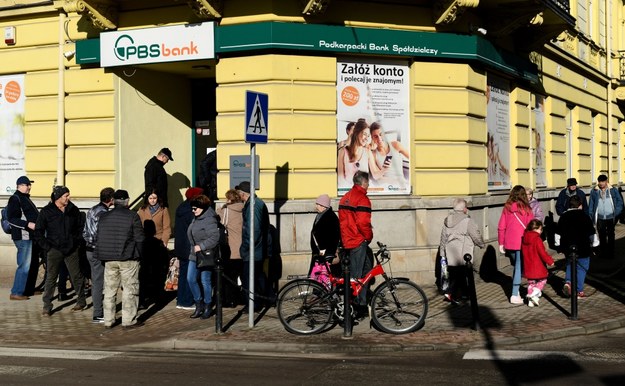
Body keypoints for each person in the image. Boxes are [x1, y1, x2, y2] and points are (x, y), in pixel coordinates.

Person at [95, 189, 145, 329]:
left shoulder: (104, 216)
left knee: (109, 291)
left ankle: (108, 320)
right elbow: (139, 238)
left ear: (114, 201)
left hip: (109, 259)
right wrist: (140, 255)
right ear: (127, 201)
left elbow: (99, 237)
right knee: (130, 289)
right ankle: (129, 320)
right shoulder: (132, 216)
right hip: (128, 258)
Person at [35, 186, 87, 316]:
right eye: (66, 196)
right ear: (58, 197)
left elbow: (80, 227)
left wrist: (76, 242)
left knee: (76, 275)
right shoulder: (47, 211)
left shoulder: (73, 210)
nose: (68, 198)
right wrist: (47, 246)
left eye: (68, 195)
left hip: (71, 249)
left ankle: (81, 301)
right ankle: (47, 306)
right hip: (54, 249)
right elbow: (38, 231)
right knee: (51, 278)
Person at [338, 171, 373, 319]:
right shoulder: (362, 198)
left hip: (347, 240)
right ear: (364, 183)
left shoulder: (345, 198)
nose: (369, 185)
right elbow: (363, 222)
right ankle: (353, 309)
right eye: (368, 182)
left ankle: (362, 303)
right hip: (358, 241)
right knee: (357, 277)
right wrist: (368, 236)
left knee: (366, 271)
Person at [438, 198, 485, 304]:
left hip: (451, 253)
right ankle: (451, 293)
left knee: (456, 274)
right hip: (464, 253)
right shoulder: (467, 221)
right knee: (461, 275)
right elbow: (475, 235)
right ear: (464, 209)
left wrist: (442, 254)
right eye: (466, 207)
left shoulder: (447, 220)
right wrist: (481, 244)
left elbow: (443, 238)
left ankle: (464, 294)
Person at [236, 181, 270, 312]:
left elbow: (253, 230)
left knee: (249, 278)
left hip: (253, 250)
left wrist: (245, 247)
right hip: (256, 249)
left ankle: (253, 304)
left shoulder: (253, 206)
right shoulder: (255, 203)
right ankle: (267, 299)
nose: (238, 195)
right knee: (258, 276)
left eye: (239, 192)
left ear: (243, 193)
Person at [82, 187, 115, 323]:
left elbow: (85, 231)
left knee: (97, 281)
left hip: (89, 249)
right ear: (111, 199)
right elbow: (98, 234)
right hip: (98, 251)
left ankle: (99, 311)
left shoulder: (92, 209)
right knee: (98, 282)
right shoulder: (103, 213)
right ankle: (98, 313)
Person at [498, 185, 533, 305]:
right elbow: (531, 227)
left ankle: (516, 291)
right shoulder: (527, 209)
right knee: (519, 267)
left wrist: (501, 243)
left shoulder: (507, 208)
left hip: (509, 242)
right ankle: (514, 293)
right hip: (522, 242)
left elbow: (501, 226)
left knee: (517, 267)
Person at [187, 194, 220, 319]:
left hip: (205, 255)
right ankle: (198, 304)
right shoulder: (196, 217)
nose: (193, 211)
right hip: (194, 254)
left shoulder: (209, 219)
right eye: (192, 208)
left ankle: (207, 305)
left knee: (205, 281)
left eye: (195, 208)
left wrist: (201, 246)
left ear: (203, 208)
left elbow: (215, 237)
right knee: (190, 279)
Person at [6, 175, 39, 300]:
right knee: (24, 265)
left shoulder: (25, 198)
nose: (29, 187)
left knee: (32, 263)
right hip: (22, 236)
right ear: (19, 186)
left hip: (31, 236)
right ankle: (17, 292)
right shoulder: (15, 199)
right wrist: (27, 224)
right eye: (27, 185)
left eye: (29, 185)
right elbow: (12, 219)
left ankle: (28, 289)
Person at [137, 190, 171, 306]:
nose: (152, 200)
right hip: (145, 242)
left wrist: (164, 240)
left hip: (158, 243)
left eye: (154, 198)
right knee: (144, 272)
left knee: (158, 272)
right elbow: (138, 226)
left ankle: (158, 297)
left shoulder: (163, 210)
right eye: (150, 198)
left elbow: (167, 227)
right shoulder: (142, 210)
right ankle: (143, 298)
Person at [558, 195, 595, 299]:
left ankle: (568, 282)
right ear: (580, 205)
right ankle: (579, 291)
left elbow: (558, 233)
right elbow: (592, 234)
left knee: (570, 264)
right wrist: (595, 245)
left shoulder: (563, 217)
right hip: (583, 247)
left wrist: (559, 246)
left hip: (568, 246)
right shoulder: (585, 217)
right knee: (582, 267)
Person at [174, 187, 204, 310]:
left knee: (183, 274)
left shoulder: (181, 207)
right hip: (189, 247)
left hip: (181, 246)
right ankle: (187, 301)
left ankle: (181, 300)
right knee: (190, 275)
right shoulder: (191, 210)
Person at [216, 188, 244, 307]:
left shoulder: (227, 210)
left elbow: (218, 217)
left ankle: (231, 300)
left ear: (229, 199)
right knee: (241, 275)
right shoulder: (243, 209)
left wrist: (222, 207)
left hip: (231, 248)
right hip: (243, 248)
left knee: (230, 276)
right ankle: (241, 298)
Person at [588, 174, 623, 259]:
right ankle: (603, 253)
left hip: (611, 217)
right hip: (600, 218)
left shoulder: (613, 190)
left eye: (603, 181)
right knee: (602, 235)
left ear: (606, 181)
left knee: (611, 235)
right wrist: (591, 215)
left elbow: (620, 202)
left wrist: (616, 213)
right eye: (599, 182)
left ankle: (611, 253)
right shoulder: (594, 191)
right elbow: (591, 204)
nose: (601, 183)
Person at [521, 219, 554, 307]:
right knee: (542, 280)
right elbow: (542, 253)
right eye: (540, 229)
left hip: (528, 265)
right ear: (536, 229)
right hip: (537, 265)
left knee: (531, 283)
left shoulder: (524, 238)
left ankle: (530, 301)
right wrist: (550, 261)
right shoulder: (537, 239)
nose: (541, 231)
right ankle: (532, 295)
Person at [308, 194, 341, 278]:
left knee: (324, 278)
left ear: (324, 206)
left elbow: (333, 237)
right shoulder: (320, 215)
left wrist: (325, 252)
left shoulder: (331, 217)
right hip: (319, 253)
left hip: (325, 254)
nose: (316, 206)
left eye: (318, 204)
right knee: (318, 277)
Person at [369, 122, 409, 188]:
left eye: (381, 134)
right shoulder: (373, 154)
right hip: (386, 184)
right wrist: (384, 169)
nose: (379, 139)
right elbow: (375, 176)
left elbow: (413, 159)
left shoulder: (396, 145)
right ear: (372, 138)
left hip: (402, 183)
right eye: (375, 136)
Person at [337, 119, 376, 188]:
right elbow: (341, 178)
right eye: (364, 134)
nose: (366, 138)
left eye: (368, 135)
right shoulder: (343, 147)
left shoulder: (366, 149)